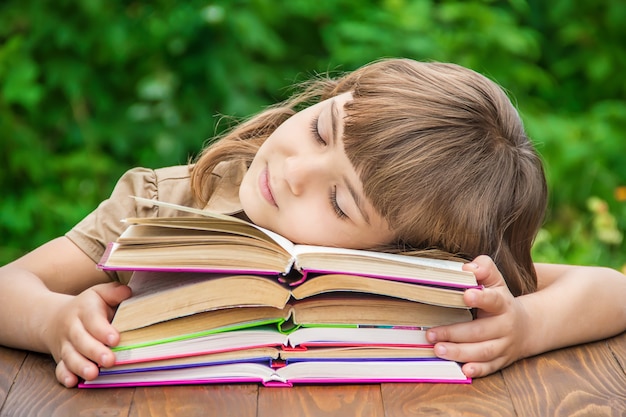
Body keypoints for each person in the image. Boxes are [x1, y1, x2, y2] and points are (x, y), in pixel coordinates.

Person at [0, 58, 624, 388]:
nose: (296, 170)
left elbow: (613, 291)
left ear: (401, 245)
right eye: (322, 128)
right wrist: (54, 321)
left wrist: (525, 326)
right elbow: (10, 284)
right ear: (333, 94)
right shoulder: (162, 201)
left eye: (340, 203)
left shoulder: (419, 270)